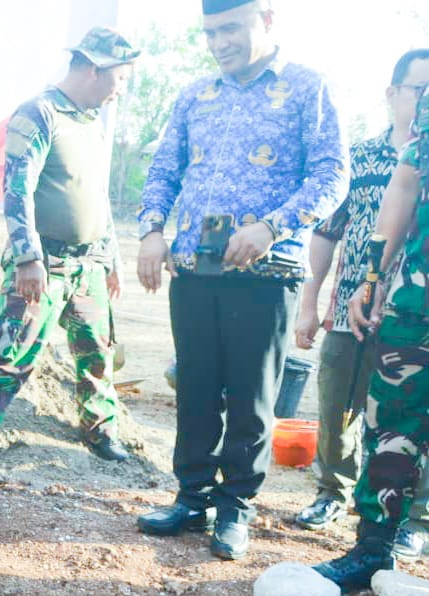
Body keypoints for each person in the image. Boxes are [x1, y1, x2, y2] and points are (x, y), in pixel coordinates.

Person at [135, 0, 348, 560]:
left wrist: (271, 227)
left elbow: (331, 174)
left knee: (252, 395)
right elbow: (164, 168)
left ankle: (236, 507)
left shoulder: (307, 88)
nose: (218, 42)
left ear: (268, 20)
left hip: (266, 271)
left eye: (230, 28)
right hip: (195, 267)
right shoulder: (196, 95)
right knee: (196, 388)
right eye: (210, 32)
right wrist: (152, 230)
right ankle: (192, 496)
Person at [0, 26, 139, 487]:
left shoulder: (93, 121)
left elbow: (96, 195)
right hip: (44, 265)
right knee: (9, 356)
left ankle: (99, 429)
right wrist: (27, 258)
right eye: (120, 78)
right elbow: (17, 190)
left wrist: (110, 257)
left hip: (89, 265)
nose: (122, 90)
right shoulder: (39, 113)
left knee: (97, 353)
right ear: (94, 68)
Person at [295, 49, 429, 560]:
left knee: (412, 416)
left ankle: (415, 517)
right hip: (362, 303)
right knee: (340, 407)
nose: (422, 98)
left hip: (409, 305)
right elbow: (327, 233)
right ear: (393, 93)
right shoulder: (367, 156)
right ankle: (333, 493)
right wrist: (312, 301)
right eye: (417, 88)